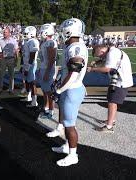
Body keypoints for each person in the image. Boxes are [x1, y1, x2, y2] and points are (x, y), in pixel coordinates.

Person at [50, 18, 88, 167]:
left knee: (70, 125)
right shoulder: (71, 46)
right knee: (67, 123)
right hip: (69, 88)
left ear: (68, 31)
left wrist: (59, 89)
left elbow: (73, 74)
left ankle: (73, 155)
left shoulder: (76, 48)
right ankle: (67, 146)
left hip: (71, 89)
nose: (61, 35)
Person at [87, 45, 133, 133]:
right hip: (121, 81)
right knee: (113, 102)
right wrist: (97, 62)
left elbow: (107, 69)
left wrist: (92, 69)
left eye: (99, 55)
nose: (100, 57)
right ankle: (112, 121)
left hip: (120, 82)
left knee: (112, 102)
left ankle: (109, 127)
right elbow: (106, 61)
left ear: (102, 51)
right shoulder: (112, 51)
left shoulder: (111, 53)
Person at [38, 24, 57, 119]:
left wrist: (47, 72)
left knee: (49, 92)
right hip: (43, 68)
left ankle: (51, 111)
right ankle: (46, 107)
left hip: (48, 69)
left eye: (42, 32)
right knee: (44, 90)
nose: (40, 33)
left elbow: (52, 59)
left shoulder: (51, 43)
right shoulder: (44, 42)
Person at [0, 27, 19, 94]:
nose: (4, 33)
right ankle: (0, 89)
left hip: (11, 59)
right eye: (4, 32)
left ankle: (11, 89)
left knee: (11, 75)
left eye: (6, 32)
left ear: (9, 33)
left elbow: (16, 51)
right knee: (1, 74)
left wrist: (16, 60)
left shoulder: (13, 41)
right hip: (3, 59)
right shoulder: (0, 41)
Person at [23, 26, 39, 107]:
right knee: (28, 82)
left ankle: (34, 101)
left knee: (32, 83)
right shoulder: (28, 41)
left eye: (26, 33)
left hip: (31, 64)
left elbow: (32, 55)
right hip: (28, 63)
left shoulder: (33, 41)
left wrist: (28, 67)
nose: (25, 35)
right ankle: (29, 97)